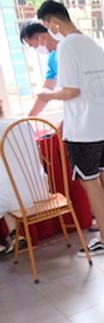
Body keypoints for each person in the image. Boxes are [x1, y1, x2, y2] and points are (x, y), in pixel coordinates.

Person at [20, 21, 104, 232]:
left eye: (35, 44)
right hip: (94, 115)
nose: (37, 49)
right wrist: (29, 117)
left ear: (45, 33)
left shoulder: (68, 49)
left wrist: (70, 118)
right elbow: (48, 92)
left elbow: (72, 91)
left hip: (96, 114)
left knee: (101, 170)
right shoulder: (56, 56)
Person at [36, 0, 104, 256]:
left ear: (53, 22)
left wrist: (46, 95)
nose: (47, 33)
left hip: (83, 128)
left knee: (89, 181)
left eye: (46, 27)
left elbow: (71, 90)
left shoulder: (67, 46)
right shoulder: (91, 42)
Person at [0, 100, 48, 254]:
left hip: (18, 197)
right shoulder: (23, 123)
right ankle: (15, 236)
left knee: (5, 185)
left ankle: (12, 237)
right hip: (40, 189)